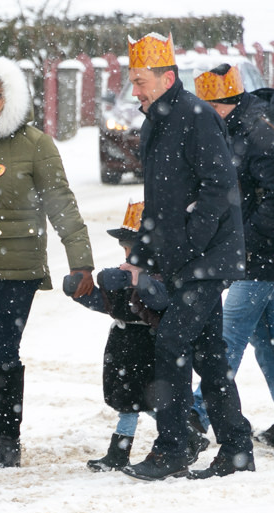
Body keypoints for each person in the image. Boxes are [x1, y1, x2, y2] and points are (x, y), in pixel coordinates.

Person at [118, 33, 254, 481]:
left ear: (167, 77)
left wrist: (187, 246)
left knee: (171, 343)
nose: (133, 89)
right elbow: (157, 203)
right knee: (210, 355)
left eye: (140, 80)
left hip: (207, 258)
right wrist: (139, 255)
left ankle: (174, 446)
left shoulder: (195, 116)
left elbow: (218, 189)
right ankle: (236, 447)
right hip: (185, 259)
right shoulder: (155, 120)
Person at [0, 55, 94, 467]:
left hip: (18, 266)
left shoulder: (35, 144)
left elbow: (61, 202)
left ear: (12, 97)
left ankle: (10, 438)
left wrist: (80, 262)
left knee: (3, 353)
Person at [64, 202, 209, 471]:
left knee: (151, 401)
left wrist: (140, 282)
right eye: (125, 249)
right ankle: (118, 453)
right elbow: (107, 304)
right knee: (126, 401)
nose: (128, 254)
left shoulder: (163, 276)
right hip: (123, 345)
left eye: (133, 248)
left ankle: (189, 435)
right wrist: (81, 294)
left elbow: (159, 301)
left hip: (148, 346)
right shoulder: (122, 275)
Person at [189, 65, 274, 448]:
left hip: (261, 256)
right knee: (267, 342)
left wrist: (248, 239)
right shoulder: (239, 126)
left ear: (223, 105)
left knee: (228, 338)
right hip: (258, 255)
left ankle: (196, 416)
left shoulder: (256, 131)